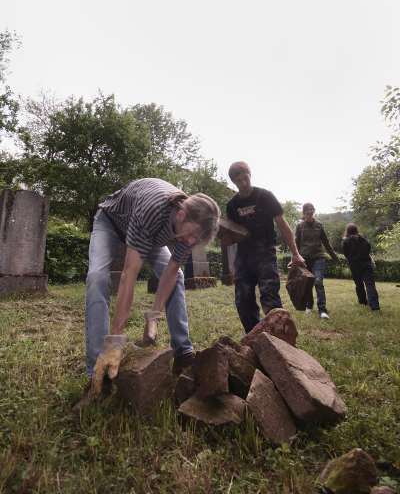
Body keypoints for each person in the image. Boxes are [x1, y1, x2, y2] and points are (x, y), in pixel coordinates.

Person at [75, 177, 220, 409]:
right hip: (111, 223)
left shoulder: (190, 230)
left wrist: (154, 314)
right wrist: (115, 341)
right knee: (97, 278)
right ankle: (97, 372)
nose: (191, 242)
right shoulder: (153, 209)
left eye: (197, 239)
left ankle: (183, 354)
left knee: (179, 276)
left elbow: (171, 272)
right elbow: (129, 274)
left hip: (150, 235)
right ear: (181, 214)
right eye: (192, 236)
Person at [226, 161, 305, 334]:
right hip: (243, 256)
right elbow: (231, 236)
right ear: (234, 182)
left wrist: (295, 253)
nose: (243, 183)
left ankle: (280, 338)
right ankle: (256, 337)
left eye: (245, 177)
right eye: (238, 180)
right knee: (243, 300)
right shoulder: (232, 206)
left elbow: (283, 225)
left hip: (265, 253)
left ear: (250, 174)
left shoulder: (265, 196)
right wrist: (231, 264)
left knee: (270, 297)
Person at [295, 202, 339, 319]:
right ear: (303, 213)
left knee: (318, 281)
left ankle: (322, 310)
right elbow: (296, 244)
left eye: (311, 210)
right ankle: (309, 305)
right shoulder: (299, 226)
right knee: (308, 283)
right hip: (305, 259)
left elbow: (326, 242)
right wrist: (294, 258)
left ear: (313, 211)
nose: (309, 213)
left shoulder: (319, 225)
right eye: (307, 211)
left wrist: (334, 256)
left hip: (318, 257)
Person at [342, 223, 380, 311]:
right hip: (366, 265)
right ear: (356, 230)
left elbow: (346, 254)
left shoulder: (346, 241)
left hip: (355, 266)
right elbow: (368, 249)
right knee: (370, 285)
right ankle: (375, 306)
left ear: (347, 231)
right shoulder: (364, 240)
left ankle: (362, 301)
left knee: (359, 284)